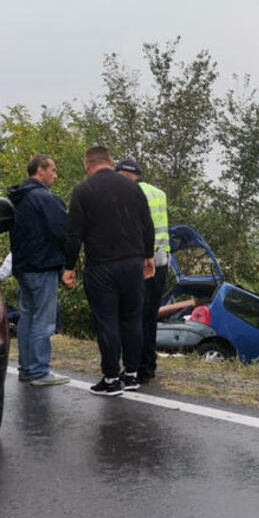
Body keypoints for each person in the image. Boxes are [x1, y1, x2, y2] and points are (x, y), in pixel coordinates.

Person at [62, 146, 154, 397]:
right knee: (132, 318)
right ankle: (132, 374)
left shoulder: (83, 190)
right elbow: (147, 224)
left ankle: (112, 378)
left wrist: (69, 266)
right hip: (133, 263)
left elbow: (73, 234)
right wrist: (148, 256)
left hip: (102, 265)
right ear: (110, 162)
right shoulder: (133, 188)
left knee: (107, 321)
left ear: (87, 164)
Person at [8, 154, 70, 386]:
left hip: (23, 266)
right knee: (43, 321)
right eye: (53, 169)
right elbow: (62, 231)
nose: (55, 174)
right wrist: (67, 261)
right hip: (43, 265)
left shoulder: (19, 197)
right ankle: (40, 371)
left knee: (27, 318)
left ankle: (26, 368)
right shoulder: (44, 198)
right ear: (40, 170)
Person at [115, 158, 170, 384]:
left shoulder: (129, 193)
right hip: (162, 259)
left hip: (140, 260)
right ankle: (148, 366)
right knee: (149, 316)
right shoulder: (159, 193)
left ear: (125, 174)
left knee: (132, 316)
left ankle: (133, 368)